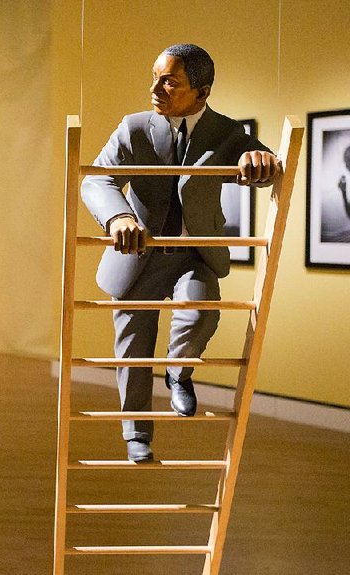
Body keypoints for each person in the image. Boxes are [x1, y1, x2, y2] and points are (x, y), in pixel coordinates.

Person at [81, 44, 280, 462]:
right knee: (134, 347)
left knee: (202, 307)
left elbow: (260, 165)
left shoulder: (224, 132)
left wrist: (259, 160)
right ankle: (136, 434)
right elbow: (96, 180)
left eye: (170, 81)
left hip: (194, 254)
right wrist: (119, 218)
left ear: (201, 92)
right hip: (139, 256)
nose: (156, 88)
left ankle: (178, 372)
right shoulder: (134, 129)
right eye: (155, 76)